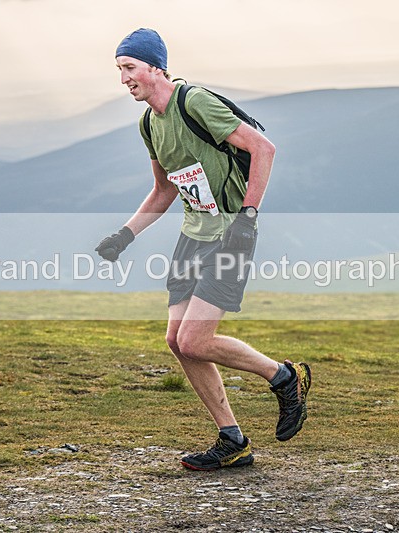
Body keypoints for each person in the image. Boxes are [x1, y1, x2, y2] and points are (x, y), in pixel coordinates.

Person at [96, 28, 311, 471]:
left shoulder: (193, 103)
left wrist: (247, 218)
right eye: (120, 70)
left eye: (130, 68)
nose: (124, 80)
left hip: (231, 232)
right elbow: (162, 191)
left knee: (196, 338)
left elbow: (263, 148)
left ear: (156, 66)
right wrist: (124, 235)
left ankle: (284, 376)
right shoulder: (149, 123)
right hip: (194, 235)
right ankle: (232, 439)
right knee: (178, 341)